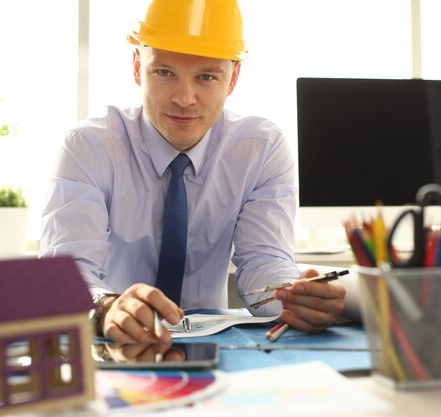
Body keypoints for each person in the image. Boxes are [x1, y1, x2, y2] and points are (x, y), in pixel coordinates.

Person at [39, 0, 346, 352]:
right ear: (138, 67)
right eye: (165, 73)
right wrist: (106, 307)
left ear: (233, 78)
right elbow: (64, 274)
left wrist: (295, 297)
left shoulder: (261, 149)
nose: (185, 99)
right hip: (111, 345)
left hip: (217, 350)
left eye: (206, 76)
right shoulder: (88, 147)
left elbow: (265, 261)